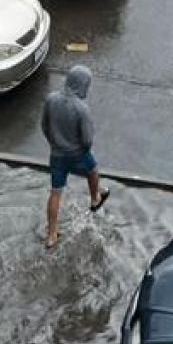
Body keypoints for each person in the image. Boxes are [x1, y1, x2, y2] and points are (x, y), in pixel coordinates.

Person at [42, 66, 109, 246]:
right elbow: (87, 139)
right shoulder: (81, 109)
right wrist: (81, 148)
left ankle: (52, 234)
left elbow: (44, 126)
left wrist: (54, 143)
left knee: (55, 192)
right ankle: (95, 197)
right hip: (77, 153)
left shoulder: (51, 99)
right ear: (83, 85)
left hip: (56, 154)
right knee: (93, 170)